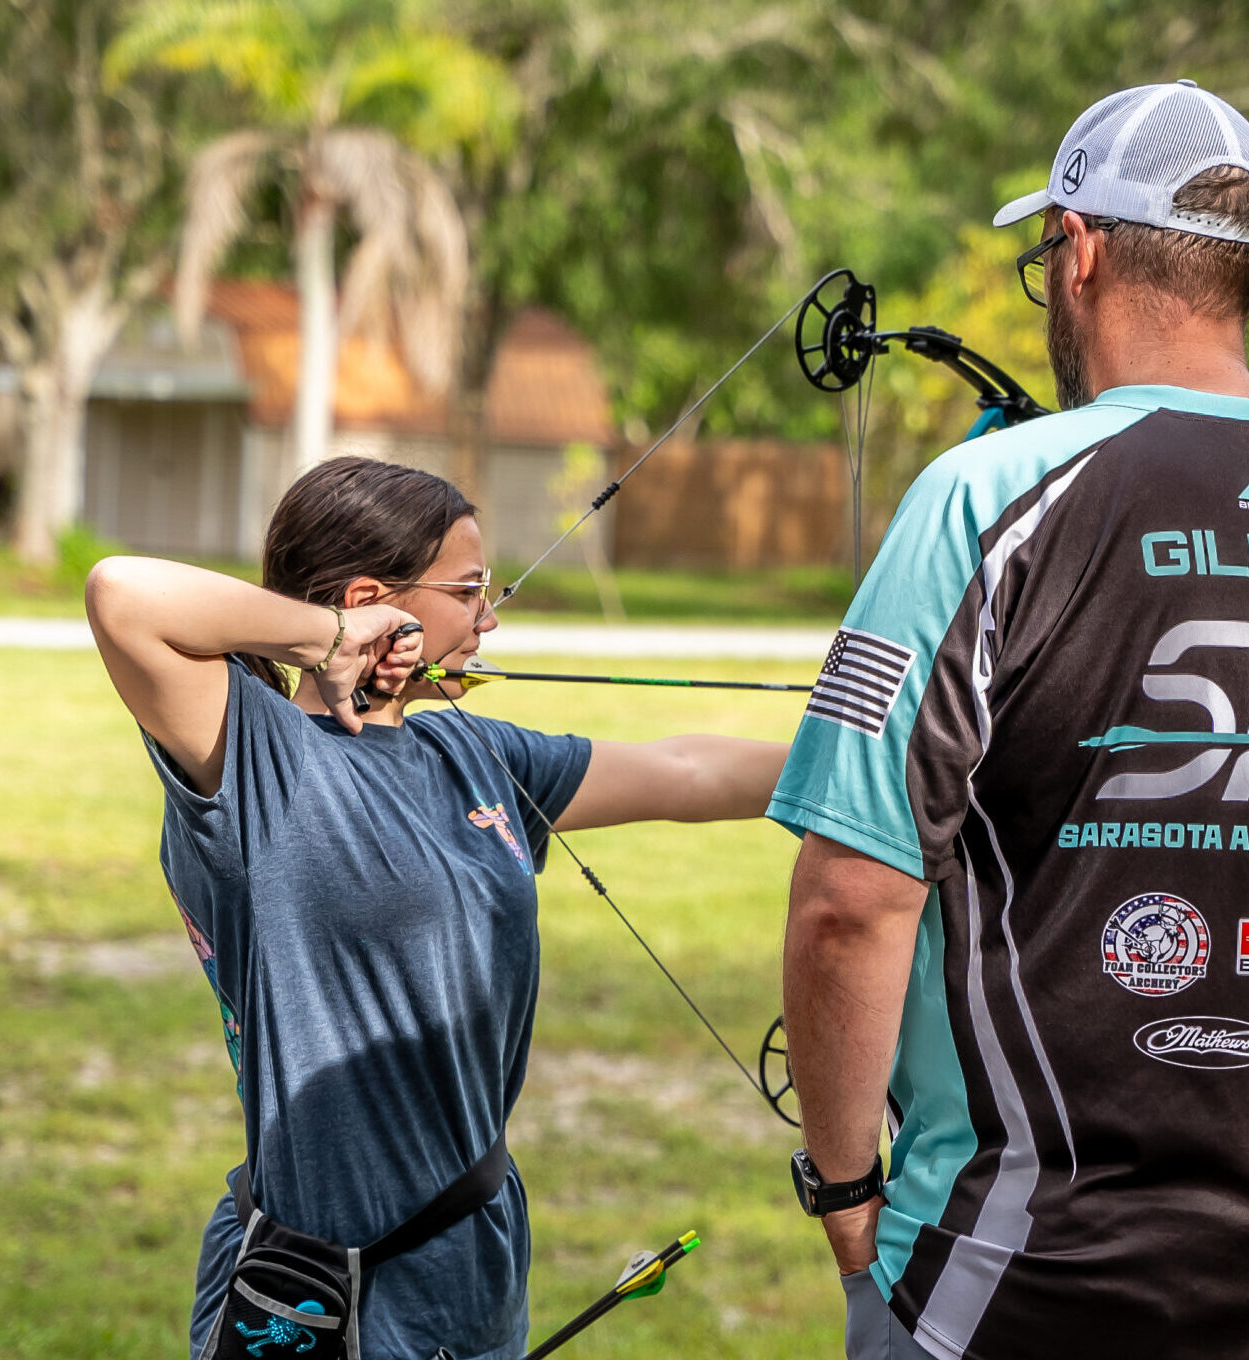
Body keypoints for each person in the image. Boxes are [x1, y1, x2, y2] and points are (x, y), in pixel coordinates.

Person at [768, 80, 1249, 1360]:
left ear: (1079, 250)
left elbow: (853, 898)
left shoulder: (987, 494)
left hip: (1018, 1288)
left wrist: (847, 1204)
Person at [85, 456, 788, 1360]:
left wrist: (879, 757)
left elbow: (684, 772)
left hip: (472, 1258)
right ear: (374, 599)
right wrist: (326, 635)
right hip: (320, 1292)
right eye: (469, 590)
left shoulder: (465, 749)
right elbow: (121, 593)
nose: (489, 617)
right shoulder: (252, 757)